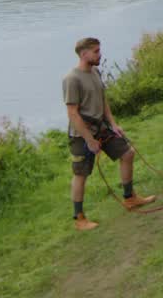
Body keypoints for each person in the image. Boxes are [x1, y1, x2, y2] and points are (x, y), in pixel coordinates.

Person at [63, 37, 156, 230]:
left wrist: (113, 124)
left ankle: (130, 199)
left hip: (103, 128)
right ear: (83, 54)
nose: (100, 54)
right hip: (82, 135)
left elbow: (102, 99)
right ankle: (79, 219)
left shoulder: (95, 71)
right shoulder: (72, 79)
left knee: (127, 154)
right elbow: (72, 113)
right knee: (81, 174)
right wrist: (89, 140)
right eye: (96, 51)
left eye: (99, 50)